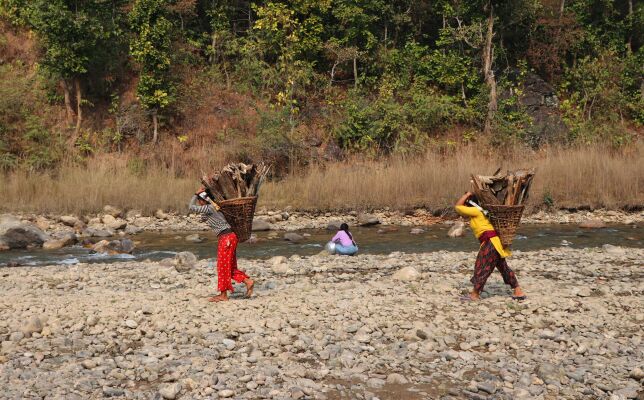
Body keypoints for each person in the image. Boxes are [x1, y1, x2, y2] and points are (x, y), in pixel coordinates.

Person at [455, 192, 526, 301]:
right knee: (503, 268)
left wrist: (467, 194)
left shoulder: (476, 211)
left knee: (481, 266)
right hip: (495, 243)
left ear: (469, 202)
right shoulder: (480, 211)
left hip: (490, 243)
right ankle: (518, 291)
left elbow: (458, 207)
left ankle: (474, 295)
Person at [189, 189, 254, 302]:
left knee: (222, 267)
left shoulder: (209, 207)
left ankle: (223, 295)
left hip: (226, 238)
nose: (198, 203)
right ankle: (248, 281)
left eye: (199, 201)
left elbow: (191, 207)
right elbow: (205, 218)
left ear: (202, 200)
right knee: (230, 267)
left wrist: (195, 194)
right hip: (231, 237)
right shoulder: (215, 207)